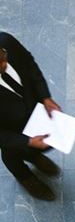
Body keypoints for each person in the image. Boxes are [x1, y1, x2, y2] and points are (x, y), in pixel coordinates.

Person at [0, 33, 62, 202]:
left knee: (43, 145)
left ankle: (32, 155)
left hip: (32, 110)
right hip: (8, 129)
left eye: (2, 57)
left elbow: (29, 64)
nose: (4, 64)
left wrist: (45, 97)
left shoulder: (5, 41)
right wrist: (27, 141)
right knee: (12, 154)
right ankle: (25, 177)